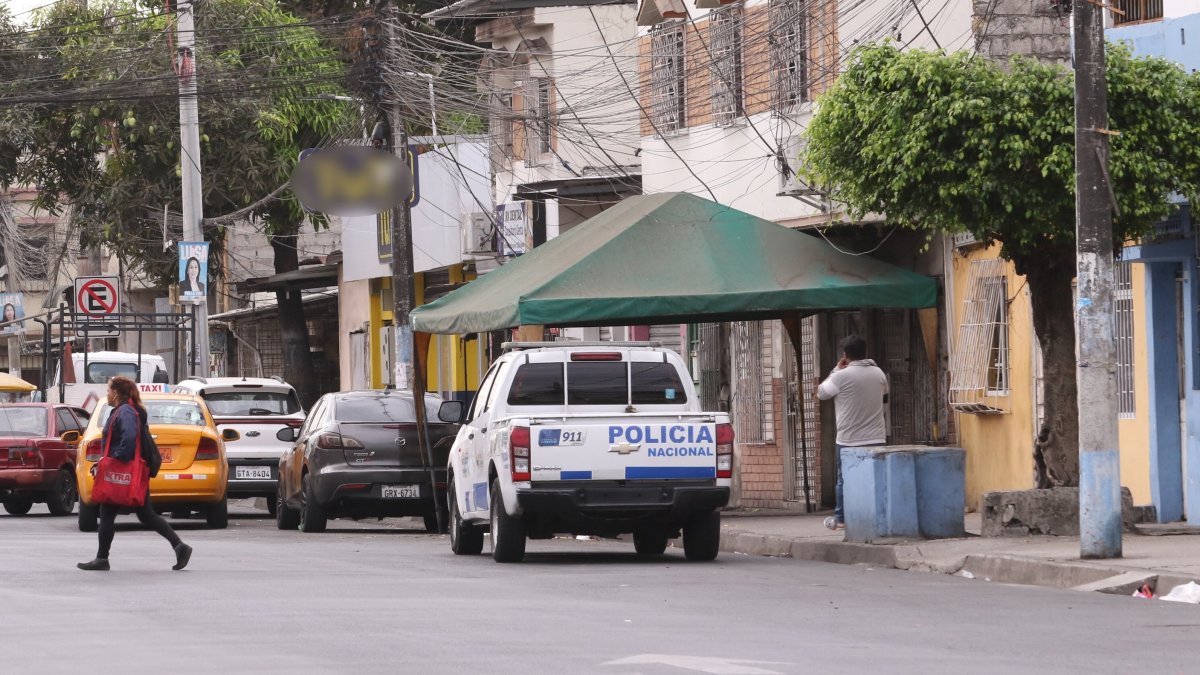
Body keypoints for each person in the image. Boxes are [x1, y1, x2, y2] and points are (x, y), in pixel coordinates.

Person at [78, 376, 192, 571]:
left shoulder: (125, 412)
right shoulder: (128, 410)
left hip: (123, 471)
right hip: (133, 472)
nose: (107, 394)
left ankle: (102, 558)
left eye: (108, 390)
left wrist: (115, 459)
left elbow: (129, 438)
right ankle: (179, 546)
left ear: (115, 392)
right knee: (145, 514)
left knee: (107, 513)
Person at [816, 334, 888, 531]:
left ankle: (841, 518)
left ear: (845, 355)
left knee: (844, 480)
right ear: (864, 352)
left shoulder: (841, 376)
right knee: (875, 479)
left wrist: (836, 369)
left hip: (849, 439)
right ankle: (876, 516)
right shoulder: (879, 373)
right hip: (876, 437)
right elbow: (885, 394)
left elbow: (821, 393)